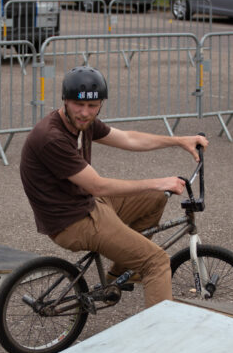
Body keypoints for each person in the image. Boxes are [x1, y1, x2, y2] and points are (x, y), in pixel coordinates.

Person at [19, 66, 209, 308]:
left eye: (92, 105)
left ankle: (120, 273)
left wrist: (179, 141)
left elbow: (129, 138)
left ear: (100, 104)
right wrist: (159, 181)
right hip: (72, 222)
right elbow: (98, 186)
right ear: (65, 101)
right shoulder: (52, 137)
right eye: (78, 104)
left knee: (155, 197)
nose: (85, 112)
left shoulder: (83, 124)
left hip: (84, 203)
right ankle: (161, 331)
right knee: (157, 261)